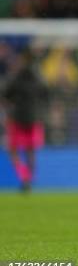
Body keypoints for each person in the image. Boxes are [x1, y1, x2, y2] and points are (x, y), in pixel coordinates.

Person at [2, 49, 48, 192]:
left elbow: (5, 94)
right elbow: (46, 95)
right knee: (31, 151)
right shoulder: (39, 79)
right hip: (34, 119)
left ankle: (24, 176)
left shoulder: (16, 77)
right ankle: (29, 178)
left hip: (17, 119)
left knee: (12, 149)